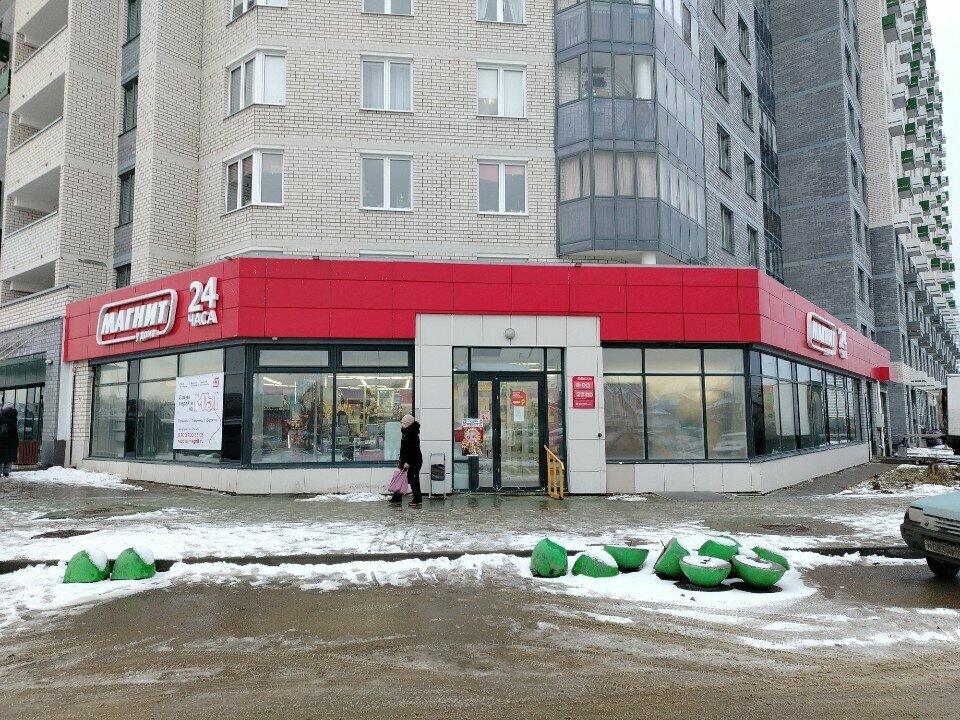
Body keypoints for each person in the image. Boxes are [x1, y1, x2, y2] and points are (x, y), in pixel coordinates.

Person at [393, 414, 422, 506]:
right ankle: (396, 498)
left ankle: (417, 500)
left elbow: (412, 450)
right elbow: (404, 450)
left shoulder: (412, 434)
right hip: (407, 461)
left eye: (404, 423)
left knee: (413, 481)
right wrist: (401, 460)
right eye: (402, 423)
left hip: (413, 461)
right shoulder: (406, 432)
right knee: (402, 478)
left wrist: (407, 462)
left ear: (409, 424)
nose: (402, 425)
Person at [0, 402, 19, 477]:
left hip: (2, 440)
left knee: (1, 457)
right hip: (12, 441)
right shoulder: (14, 417)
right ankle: (6, 472)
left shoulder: (1, 417)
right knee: (8, 458)